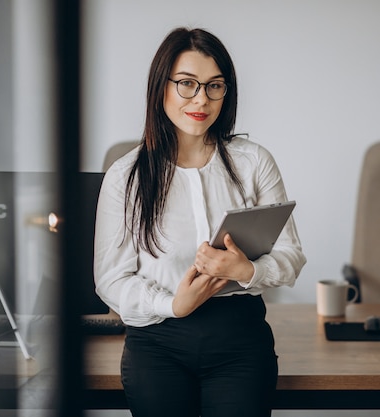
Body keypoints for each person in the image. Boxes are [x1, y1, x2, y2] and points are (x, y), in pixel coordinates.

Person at [93, 27, 306, 417]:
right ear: (161, 87)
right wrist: (173, 304)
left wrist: (248, 269)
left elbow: (292, 257)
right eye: (187, 84)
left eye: (214, 86)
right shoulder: (125, 176)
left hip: (240, 341)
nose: (201, 100)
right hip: (157, 343)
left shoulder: (254, 161)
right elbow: (110, 280)